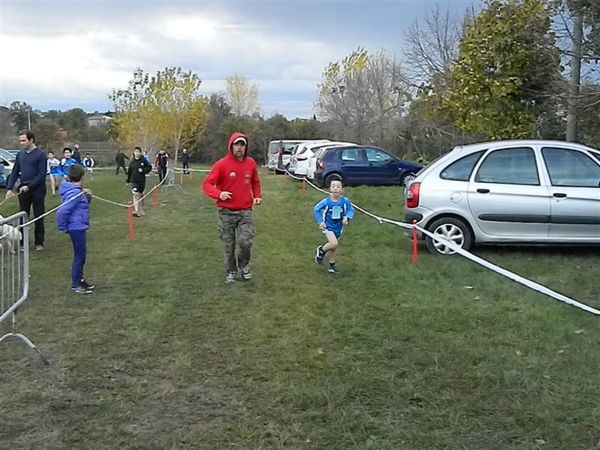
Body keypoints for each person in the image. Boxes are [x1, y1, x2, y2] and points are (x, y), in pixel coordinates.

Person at [202, 132, 262, 283]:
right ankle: (231, 271)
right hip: (226, 212)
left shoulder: (251, 163)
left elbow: (255, 181)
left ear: (246, 147)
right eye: (237, 144)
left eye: (242, 145)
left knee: (245, 242)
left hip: (245, 211)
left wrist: (257, 195)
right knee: (229, 245)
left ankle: (243, 265)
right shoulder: (221, 164)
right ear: (231, 146)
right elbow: (207, 184)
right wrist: (218, 194)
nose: (239, 148)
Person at [5, 130, 48, 251]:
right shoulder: (20, 154)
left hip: (37, 189)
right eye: (20, 140)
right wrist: (9, 188)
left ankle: (39, 242)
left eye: (23, 140)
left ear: (31, 140)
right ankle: (23, 242)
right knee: (23, 216)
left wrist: (30, 186)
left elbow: (41, 175)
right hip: (23, 190)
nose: (21, 143)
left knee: (38, 215)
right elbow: (14, 172)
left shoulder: (40, 155)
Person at [56, 164, 95, 294]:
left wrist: (88, 196)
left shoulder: (77, 191)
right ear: (82, 176)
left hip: (79, 226)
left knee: (81, 255)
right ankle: (76, 283)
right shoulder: (75, 193)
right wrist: (63, 227)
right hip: (76, 227)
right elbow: (62, 211)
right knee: (79, 256)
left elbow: (82, 205)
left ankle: (80, 280)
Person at [313, 178, 354, 274]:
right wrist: (320, 222)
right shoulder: (326, 202)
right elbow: (316, 209)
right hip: (328, 227)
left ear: (342, 190)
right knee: (334, 243)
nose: (335, 189)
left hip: (338, 227)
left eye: (338, 187)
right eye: (333, 186)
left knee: (334, 247)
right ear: (330, 189)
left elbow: (350, 210)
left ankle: (332, 266)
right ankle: (321, 250)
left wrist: (347, 217)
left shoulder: (345, 201)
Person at [126, 146, 152, 217]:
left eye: (138, 152)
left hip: (141, 181)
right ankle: (136, 210)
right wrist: (128, 181)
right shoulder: (132, 163)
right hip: (133, 181)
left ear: (140, 153)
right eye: (135, 152)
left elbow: (149, 167)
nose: (137, 153)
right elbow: (129, 172)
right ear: (134, 153)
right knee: (135, 194)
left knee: (141, 195)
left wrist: (143, 170)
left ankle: (141, 209)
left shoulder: (143, 161)